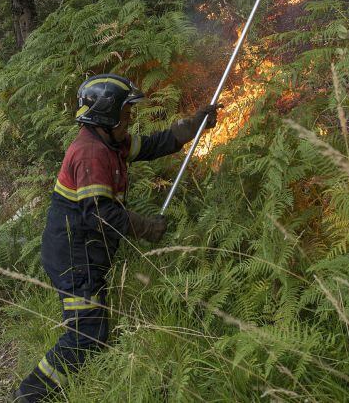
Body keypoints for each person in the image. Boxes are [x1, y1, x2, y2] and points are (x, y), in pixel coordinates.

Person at [13, 73, 220, 402]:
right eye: (126, 113)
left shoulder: (110, 142)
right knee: (85, 335)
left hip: (84, 256)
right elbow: (100, 215)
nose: (130, 120)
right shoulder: (91, 154)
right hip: (74, 261)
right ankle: (30, 395)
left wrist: (191, 127)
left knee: (92, 330)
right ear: (106, 114)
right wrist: (148, 228)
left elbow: (151, 145)